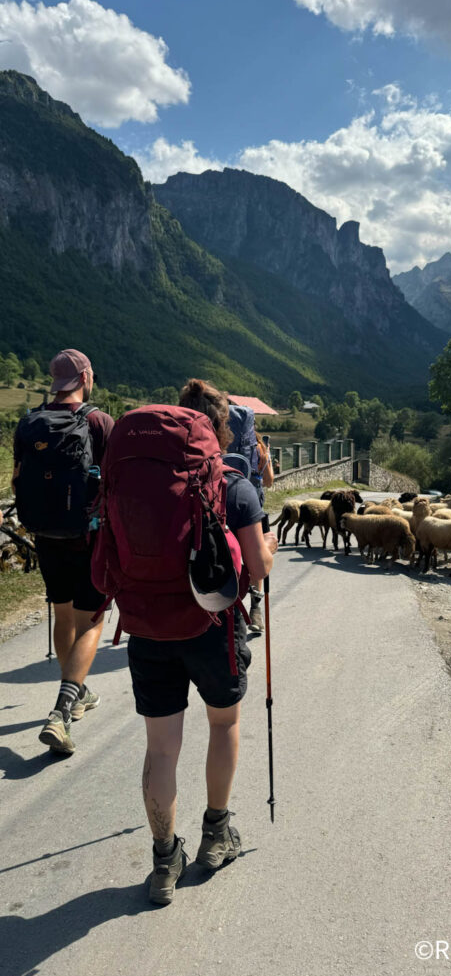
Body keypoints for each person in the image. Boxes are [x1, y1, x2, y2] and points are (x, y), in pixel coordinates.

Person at [126, 379, 278, 904]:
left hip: (146, 624)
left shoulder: (139, 479)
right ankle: (217, 834)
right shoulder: (233, 484)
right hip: (212, 628)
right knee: (223, 723)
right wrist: (270, 548)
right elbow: (255, 572)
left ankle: (165, 860)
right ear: (217, 429)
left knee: (161, 747)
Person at [12, 349, 114, 755]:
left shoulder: (29, 423)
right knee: (92, 622)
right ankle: (60, 713)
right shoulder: (99, 422)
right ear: (86, 377)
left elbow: (19, 479)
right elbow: (116, 485)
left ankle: (78, 690)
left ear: (54, 382)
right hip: (88, 536)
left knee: (64, 612)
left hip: (45, 534)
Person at [248, 432, 275, 634]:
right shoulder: (258, 447)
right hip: (251, 509)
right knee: (257, 555)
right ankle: (255, 609)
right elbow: (268, 481)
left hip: (217, 507)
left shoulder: (211, 441)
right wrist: (268, 459)